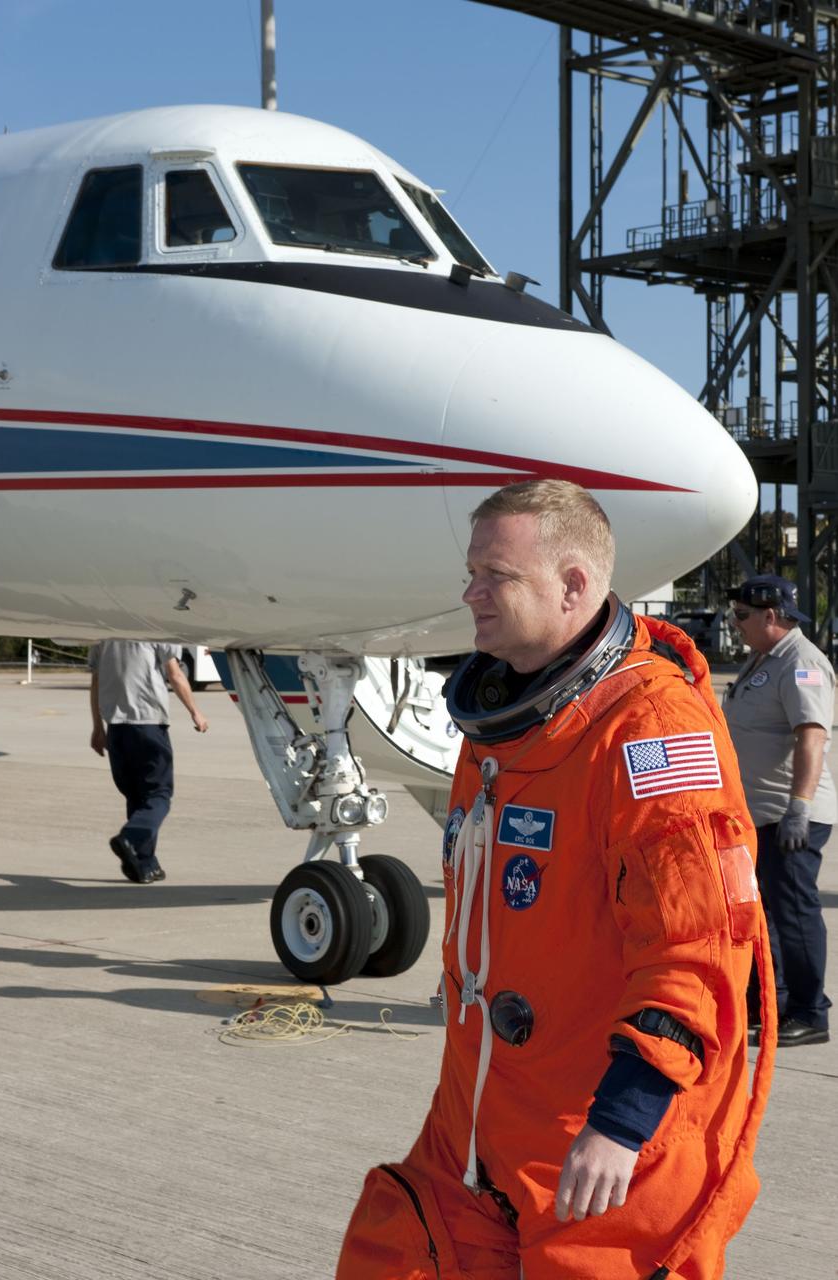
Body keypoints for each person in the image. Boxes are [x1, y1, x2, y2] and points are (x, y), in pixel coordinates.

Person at [338, 479, 774, 1280]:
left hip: (602, 1142)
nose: (468, 593)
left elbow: (699, 945)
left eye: (493, 576)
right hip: (482, 1122)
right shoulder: (504, 725)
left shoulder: (649, 729)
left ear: (574, 584)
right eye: (470, 572)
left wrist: (623, 1120)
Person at [724, 574, 835, 1048]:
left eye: (742, 616)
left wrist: (799, 807)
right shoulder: (763, 659)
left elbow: (811, 733)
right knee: (764, 914)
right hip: (757, 815)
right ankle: (775, 1003)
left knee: (793, 911)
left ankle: (811, 1012)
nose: (735, 624)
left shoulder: (802, 662)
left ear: (771, 616)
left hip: (789, 816)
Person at [89, 640, 209, 884]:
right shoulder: (152, 628)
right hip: (147, 724)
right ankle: (131, 838)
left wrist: (97, 728)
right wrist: (195, 711)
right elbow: (174, 674)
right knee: (158, 796)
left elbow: (96, 683)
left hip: (116, 729)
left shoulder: (102, 636)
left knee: (137, 798)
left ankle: (144, 864)